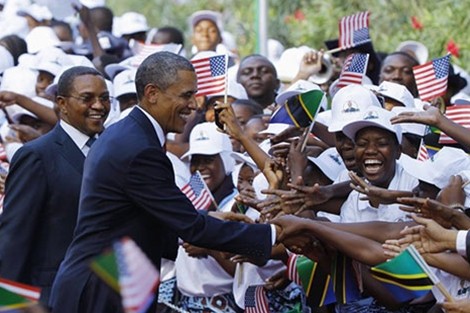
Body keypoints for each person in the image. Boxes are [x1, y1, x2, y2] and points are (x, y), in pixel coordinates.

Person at [49, 51, 276, 313]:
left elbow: (146, 217)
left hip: (110, 284)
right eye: (185, 95)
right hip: (100, 292)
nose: (193, 105)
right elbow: (191, 227)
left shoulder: (130, 134)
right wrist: (273, 234)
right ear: (152, 93)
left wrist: (213, 218)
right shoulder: (138, 147)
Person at [0, 66, 110, 305]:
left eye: (104, 98)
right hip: (51, 300)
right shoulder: (37, 156)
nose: (99, 106)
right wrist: (10, 305)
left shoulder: (114, 152)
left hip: (107, 297)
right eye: (87, 98)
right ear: (62, 103)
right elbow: (13, 240)